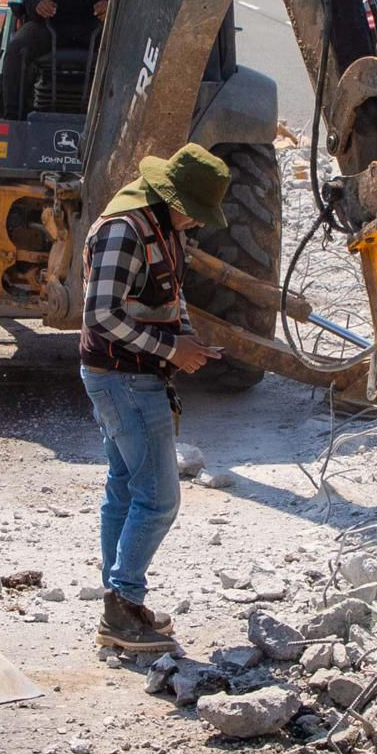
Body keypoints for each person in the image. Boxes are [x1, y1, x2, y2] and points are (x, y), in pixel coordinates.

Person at [79, 144, 230, 652]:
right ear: (172, 195)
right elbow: (100, 315)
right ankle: (122, 604)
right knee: (159, 499)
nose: (197, 224)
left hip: (135, 373)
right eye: (196, 211)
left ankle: (120, 603)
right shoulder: (125, 230)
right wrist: (171, 348)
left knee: (124, 486)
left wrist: (185, 339)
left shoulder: (163, 225)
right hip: (122, 378)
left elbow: (171, 293)